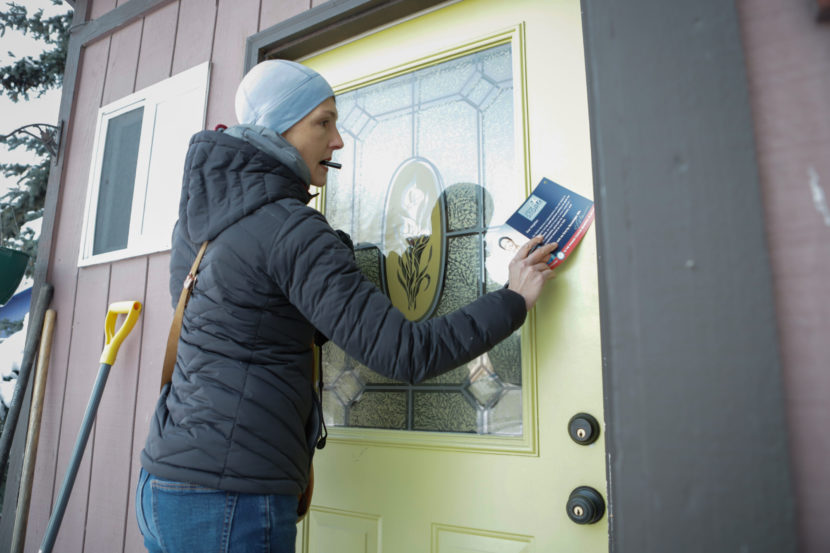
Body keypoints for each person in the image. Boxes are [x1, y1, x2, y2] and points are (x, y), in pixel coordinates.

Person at [135, 59, 558, 553]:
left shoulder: (202, 223)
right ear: (280, 128)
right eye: (323, 122)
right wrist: (512, 298)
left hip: (162, 483)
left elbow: (239, 323)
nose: (337, 140)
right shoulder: (290, 229)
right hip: (230, 499)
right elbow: (406, 352)